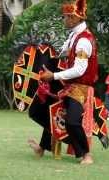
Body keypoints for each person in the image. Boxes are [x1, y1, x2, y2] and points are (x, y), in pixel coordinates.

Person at [30, 0, 97, 165]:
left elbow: (79, 70)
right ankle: (42, 147)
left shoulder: (83, 41)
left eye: (66, 17)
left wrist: (53, 76)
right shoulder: (74, 35)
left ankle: (86, 155)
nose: (64, 20)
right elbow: (63, 53)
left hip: (80, 88)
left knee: (72, 121)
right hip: (69, 85)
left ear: (75, 18)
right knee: (46, 111)